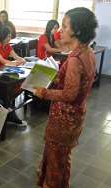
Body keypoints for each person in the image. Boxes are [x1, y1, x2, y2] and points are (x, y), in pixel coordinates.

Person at [34, 7, 98, 188]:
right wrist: (58, 76)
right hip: (76, 115)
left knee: (55, 161)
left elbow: (70, 94)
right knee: (62, 158)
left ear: (77, 30)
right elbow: (77, 86)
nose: (60, 31)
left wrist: (44, 92)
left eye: (64, 26)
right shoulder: (88, 52)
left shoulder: (75, 60)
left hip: (64, 118)